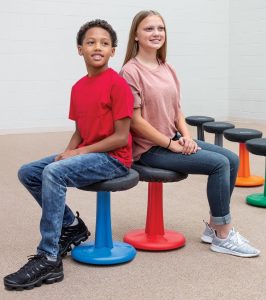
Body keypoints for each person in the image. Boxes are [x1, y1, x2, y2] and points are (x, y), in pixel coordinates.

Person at [4, 19, 134, 290]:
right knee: (29, 172)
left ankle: (49, 256)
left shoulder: (117, 85)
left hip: (114, 159)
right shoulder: (78, 88)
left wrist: (79, 152)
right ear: (79, 49)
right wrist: (68, 152)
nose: (97, 47)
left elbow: (121, 137)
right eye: (90, 42)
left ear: (113, 51)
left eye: (104, 43)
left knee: (54, 172)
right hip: (90, 152)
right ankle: (71, 225)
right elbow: (80, 131)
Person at [120, 10, 260, 258]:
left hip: (172, 139)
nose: (156, 33)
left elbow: (177, 111)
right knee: (218, 164)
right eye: (149, 29)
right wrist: (171, 145)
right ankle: (223, 235)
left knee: (232, 159)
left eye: (160, 28)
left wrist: (184, 137)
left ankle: (214, 227)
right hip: (149, 150)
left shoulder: (167, 68)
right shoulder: (131, 71)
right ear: (136, 36)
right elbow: (135, 122)